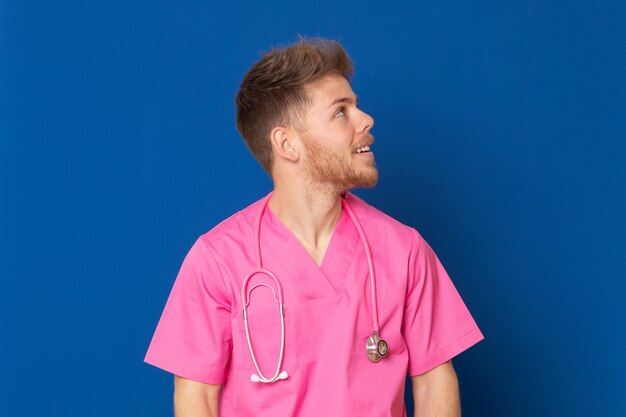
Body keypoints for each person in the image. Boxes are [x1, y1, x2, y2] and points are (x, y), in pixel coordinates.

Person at [144, 37, 484, 417]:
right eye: (342, 111)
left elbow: (435, 378)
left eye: (356, 106)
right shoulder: (218, 259)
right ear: (287, 143)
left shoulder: (403, 249)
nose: (366, 119)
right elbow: (196, 399)